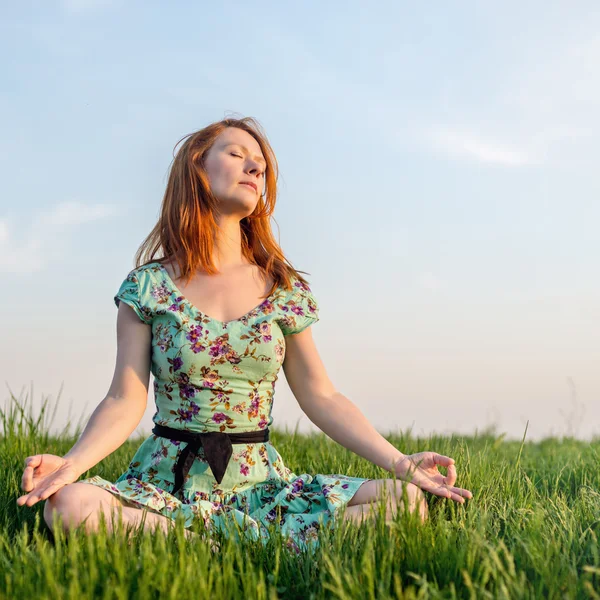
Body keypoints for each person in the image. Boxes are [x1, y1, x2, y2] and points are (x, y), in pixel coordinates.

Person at [17, 117, 472, 550]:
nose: (257, 167)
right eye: (237, 154)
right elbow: (124, 399)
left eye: (262, 163)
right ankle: (252, 549)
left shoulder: (282, 289)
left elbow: (323, 398)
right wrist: (72, 463)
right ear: (197, 166)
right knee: (68, 505)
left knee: (405, 502)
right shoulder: (147, 288)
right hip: (168, 483)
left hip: (260, 484)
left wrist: (400, 462)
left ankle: (225, 546)